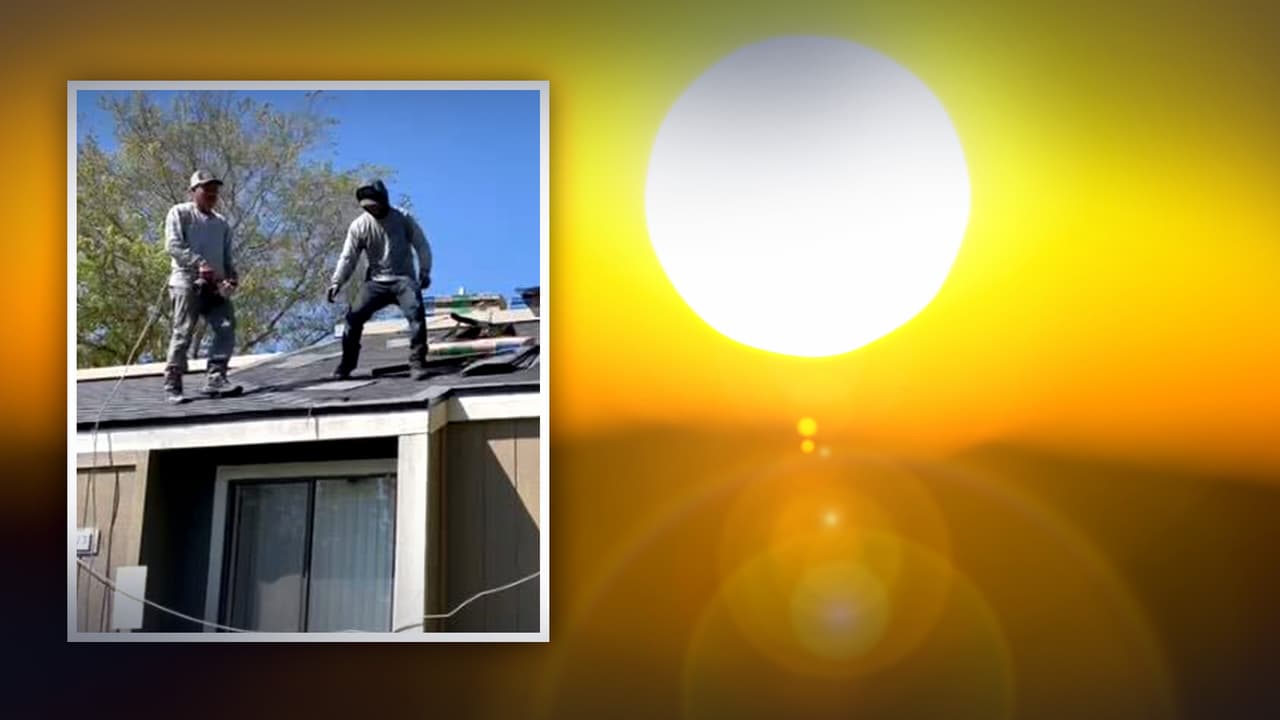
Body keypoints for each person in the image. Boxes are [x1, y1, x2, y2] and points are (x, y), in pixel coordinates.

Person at [327, 179, 433, 379]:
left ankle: (418, 362)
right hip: (376, 282)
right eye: (367, 208)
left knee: (416, 315)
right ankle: (346, 365)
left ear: (384, 200)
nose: (372, 211)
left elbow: (421, 245)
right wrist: (337, 282)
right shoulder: (359, 226)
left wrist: (425, 270)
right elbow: (348, 257)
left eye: (375, 206)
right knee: (353, 318)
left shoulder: (402, 218)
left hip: (403, 280)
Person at [162, 170, 240, 404]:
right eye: (206, 189)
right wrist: (199, 264)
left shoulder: (221, 223)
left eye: (215, 189)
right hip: (186, 282)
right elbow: (173, 246)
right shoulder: (180, 213)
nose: (212, 193)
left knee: (226, 327)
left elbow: (227, 258)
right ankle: (173, 382)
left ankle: (216, 377)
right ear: (193, 191)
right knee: (183, 331)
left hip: (215, 286)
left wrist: (232, 277)